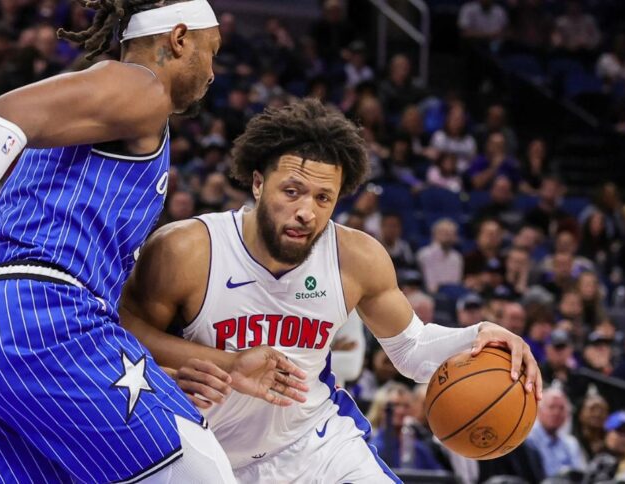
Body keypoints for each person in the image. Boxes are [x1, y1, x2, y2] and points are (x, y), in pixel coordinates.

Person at [0, 2, 302, 482]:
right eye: (211, 51)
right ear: (179, 39)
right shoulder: (140, 85)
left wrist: (151, 372)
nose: (213, 71)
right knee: (201, 473)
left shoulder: (100, 103)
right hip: (40, 318)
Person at [119, 99, 541, 483]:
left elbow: (411, 349)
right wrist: (225, 364)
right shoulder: (188, 250)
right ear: (257, 183)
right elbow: (119, 337)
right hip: (203, 454)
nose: (307, 211)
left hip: (316, 444)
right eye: (292, 191)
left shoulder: (356, 258)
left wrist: (478, 335)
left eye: (324, 198)